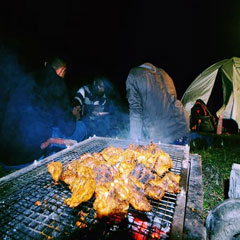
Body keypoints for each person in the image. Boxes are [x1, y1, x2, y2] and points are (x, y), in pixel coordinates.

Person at [0, 57, 73, 171]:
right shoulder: (57, 82)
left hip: (4, 155)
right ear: (62, 70)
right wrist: (74, 115)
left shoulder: (27, 79)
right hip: (26, 158)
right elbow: (69, 128)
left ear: (46, 64)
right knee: (80, 128)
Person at [126, 62, 190, 145]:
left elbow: (135, 111)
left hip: (164, 135)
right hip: (183, 126)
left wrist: (134, 142)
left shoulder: (134, 75)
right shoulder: (164, 73)